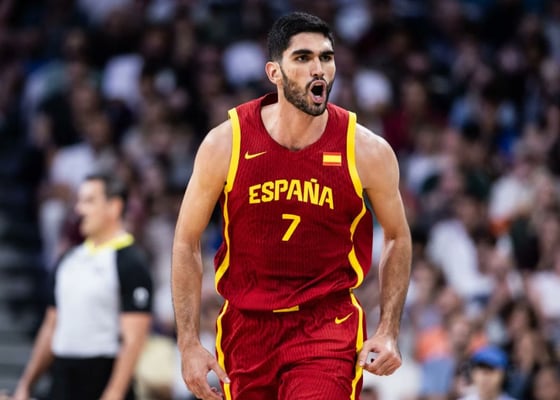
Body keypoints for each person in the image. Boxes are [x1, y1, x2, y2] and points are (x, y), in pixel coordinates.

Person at [171, 11, 412, 400]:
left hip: (325, 326)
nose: (318, 69)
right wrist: (187, 344)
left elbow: (398, 236)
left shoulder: (366, 150)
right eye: (303, 57)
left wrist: (388, 329)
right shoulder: (226, 143)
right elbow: (186, 241)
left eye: (326, 57)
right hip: (246, 328)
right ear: (275, 72)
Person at [12, 173, 153, 400]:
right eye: (79, 201)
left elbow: (134, 339)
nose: (79, 209)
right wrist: (26, 385)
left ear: (114, 207)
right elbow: (51, 326)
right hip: (62, 379)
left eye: (89, 201)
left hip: (102, 376)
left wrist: (114, 393)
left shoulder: (131, 262)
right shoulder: (67, 260)